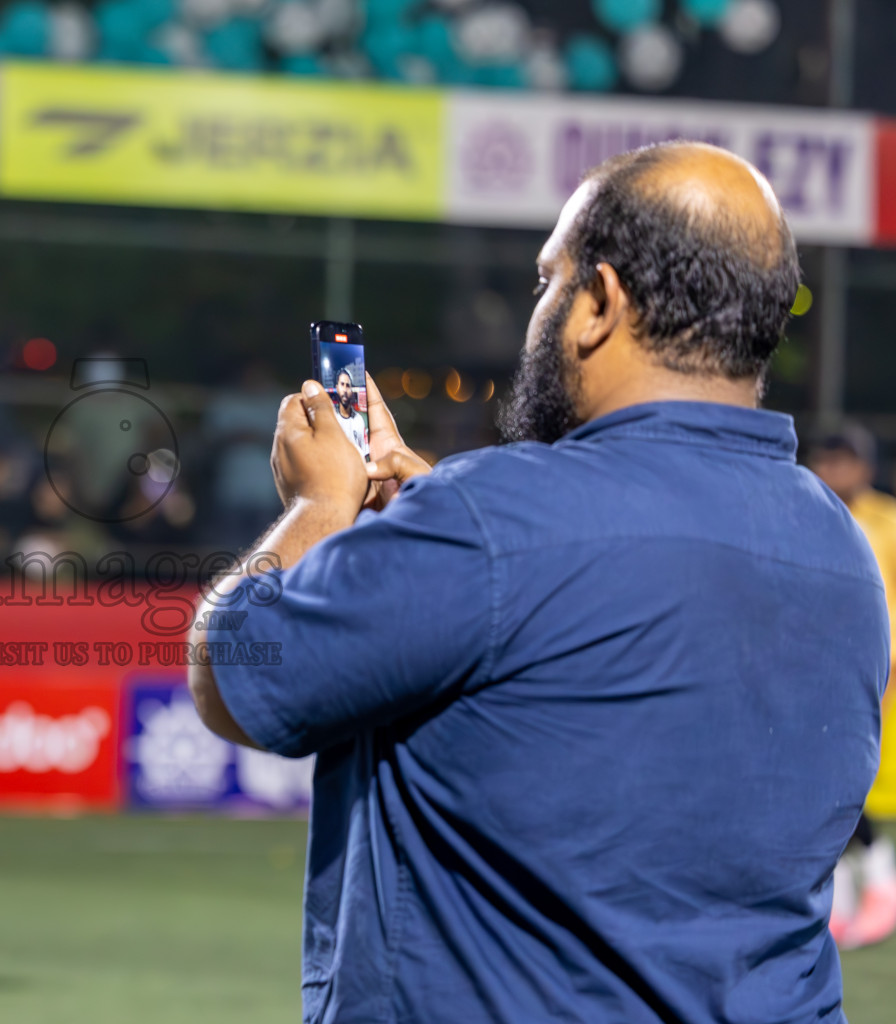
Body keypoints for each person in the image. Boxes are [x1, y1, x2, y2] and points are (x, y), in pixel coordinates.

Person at [188, 141, 886, 1024]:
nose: (537, 309)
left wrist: (320, 509)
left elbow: (237, 677)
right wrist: (443, 516)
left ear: (599, 303)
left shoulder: (499, 521)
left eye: (545, 282)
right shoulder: (839, 547)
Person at [809, 424, 896, 949]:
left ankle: (880, 876)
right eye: (828, 459)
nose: (834, 470)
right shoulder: (807, 511)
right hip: (818, 665)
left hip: (873, 670)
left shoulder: (886, 521)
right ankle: (846, 892)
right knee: (827, 782)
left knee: (852, 781)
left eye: (845, 461)